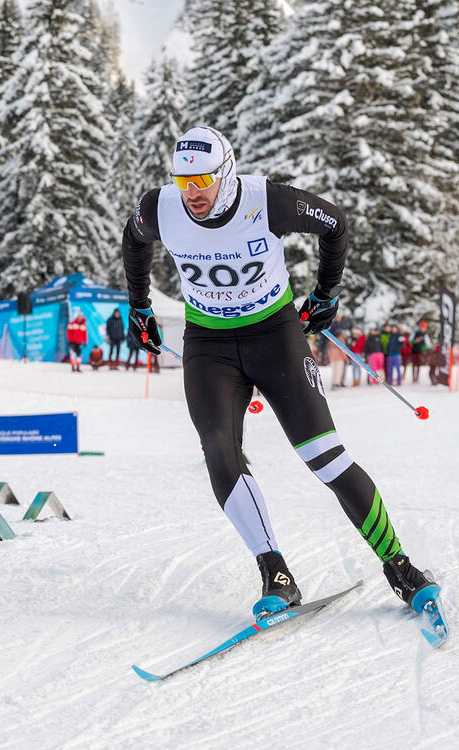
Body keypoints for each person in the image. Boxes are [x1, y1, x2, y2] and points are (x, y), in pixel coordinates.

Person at [122, 124, 436, 618]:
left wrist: (326, 295)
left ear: (225, 174)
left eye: (202, 181)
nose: (193, 194)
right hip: (208, 342)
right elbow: (134, 240)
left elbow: (335, 224)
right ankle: (277, 574)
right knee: (219, 450)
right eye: (184, 183)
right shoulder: (159, 207)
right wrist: (138, 306)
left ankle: (399, 565)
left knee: (324, 457)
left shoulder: (265, 201)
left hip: (275, 336)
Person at [327, 314, 347, 390]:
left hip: (333, 357)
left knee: (335, 371)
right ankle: (337, 383)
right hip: (339, 358)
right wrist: (345, 357)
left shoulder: (331, 340)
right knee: (338, 371)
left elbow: (328, 349)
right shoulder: (338, 338)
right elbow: (342, 349)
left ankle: (334, 383)